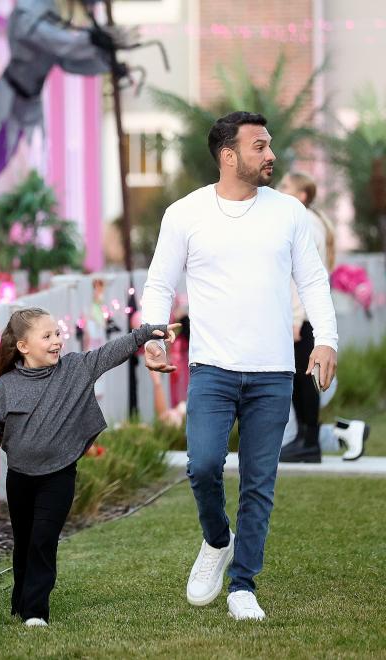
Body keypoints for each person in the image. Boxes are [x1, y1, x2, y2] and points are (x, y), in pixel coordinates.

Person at [140, 112, 338, 621]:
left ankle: (242, 584)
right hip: (213, 369)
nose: (270, 155)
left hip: (273, 372)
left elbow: (314, 281)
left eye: (269, 145)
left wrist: (326, 341)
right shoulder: (185, 213)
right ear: (228, 155)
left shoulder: (289, 213)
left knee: (258, 481)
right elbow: (161, 283)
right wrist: (152, 335)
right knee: (202, 465)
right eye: (259, 146)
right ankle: (216, 538)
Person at [0, 307, 176, 627]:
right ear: (23, 347)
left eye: (57, 333)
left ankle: (35, 612)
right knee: (25, 541)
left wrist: (145, 333)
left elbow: (111, 352)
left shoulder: (75, 369)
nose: (57, 341)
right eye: (47, 336)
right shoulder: (7, 386)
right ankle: (21, 600)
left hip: (58, 475)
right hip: (19, 478)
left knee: (43, 539)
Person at [276, 171, 366, 462]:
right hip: (303, 317)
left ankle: (309, 442)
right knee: (301, 379)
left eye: (286, 186)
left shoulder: (305, 222)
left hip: (301, 318)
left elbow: (302, 278)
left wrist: (295, 318)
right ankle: (307, 440)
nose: (279, 189)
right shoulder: (309, 221)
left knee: (303, 380)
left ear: (302, 195)